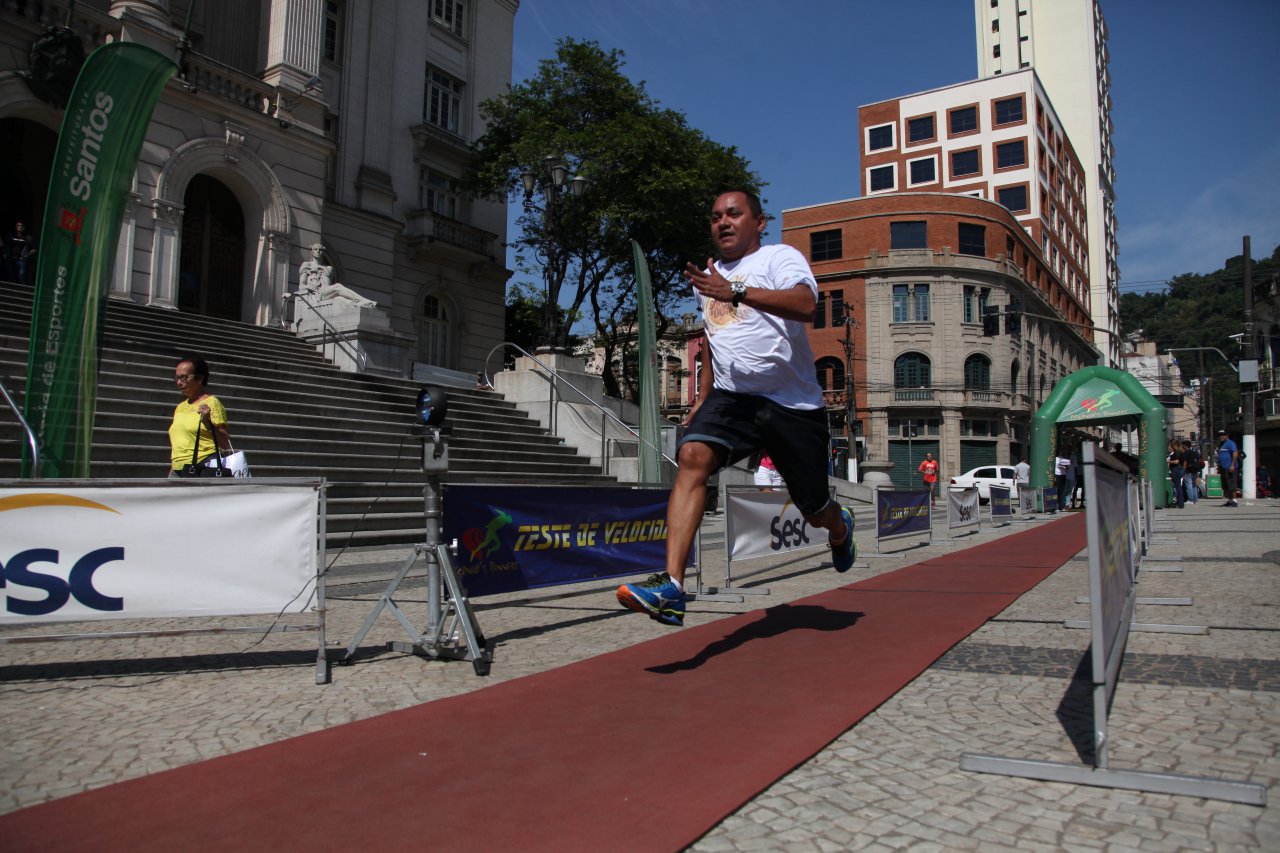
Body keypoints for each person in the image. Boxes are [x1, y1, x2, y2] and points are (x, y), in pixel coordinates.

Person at [616, 190, 854, 627]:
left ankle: (841, 529)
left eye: (734, 214)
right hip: (733, 398)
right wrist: (705, 394)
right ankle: (672, 587)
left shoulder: (780, 258)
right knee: (691, 456)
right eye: (715, 217)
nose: (723, 222)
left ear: (759, 223)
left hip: (791, 404)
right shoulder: (708, 277)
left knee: (816, 511)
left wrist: (737, 290)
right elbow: (715, 340)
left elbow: (806, 305)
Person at [168, 354, 231, 477]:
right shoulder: (180, 407)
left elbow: (225, 443)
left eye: (184, 378)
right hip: (178, 469)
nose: (179, 382)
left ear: (200, 378)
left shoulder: (212, 403)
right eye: (177, 378)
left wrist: (207, 423)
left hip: (203, 467)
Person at [294, 243, 377, 307]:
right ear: (312, 252)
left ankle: (360, 304)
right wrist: (310, 287)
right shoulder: (307, 265)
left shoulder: (329, 268)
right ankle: (363, 300)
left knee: (340, 300)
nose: (318, 251)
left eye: (320, 250)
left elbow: (328, 284)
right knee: (337, 286)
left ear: (323, 251)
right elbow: (301, 286)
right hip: (318, 293)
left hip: (327, 293)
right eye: (315, 249)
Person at [3, 220, 36, 285]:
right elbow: (5, 246)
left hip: (21, 260)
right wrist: (5, 253)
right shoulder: (11, 236)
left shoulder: (27, 238)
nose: (20, 227)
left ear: (24, 228)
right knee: (11, 276)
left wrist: (27, 254)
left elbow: (34, 249)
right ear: (15, 227)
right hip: (12, 258)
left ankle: (22, 291)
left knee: (22, 275)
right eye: (18, 225)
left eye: (21, 226)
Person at [1216, 430, 1239, 508]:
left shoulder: (1230, 443)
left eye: (1223, 435)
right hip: (1223, 468)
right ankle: (1229, 500)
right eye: (1220, 435)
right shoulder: (1221, 445)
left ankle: (1234, 500)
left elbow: (1235, 453)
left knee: (1232, 484)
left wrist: (1232, 465)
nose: (1221, 436)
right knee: (1226, 485)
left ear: (1227, 435)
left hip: (1230, 467)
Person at [1167, 439, 1186, 508]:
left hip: (1176, 470)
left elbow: (1176, 461)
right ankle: (1180, 503)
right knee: (1178, 487)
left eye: (1172, 446)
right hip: (1179, 470)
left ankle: (1180, 503)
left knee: (1177, 487)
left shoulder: (1177, 452)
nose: (1171, 447)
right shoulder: (1181, 451)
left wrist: (1168, 461)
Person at [1182, 439, 1201, 505]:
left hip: (1188, 471)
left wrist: (1183, 470)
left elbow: (1185, 462)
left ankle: (1190, 499)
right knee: (1194, 485)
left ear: (1185, 446)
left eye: (1182, 445)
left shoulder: (1186, 452)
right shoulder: (1195, 452)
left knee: (1188, 485)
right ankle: (1195, 499)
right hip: (1195, 470)